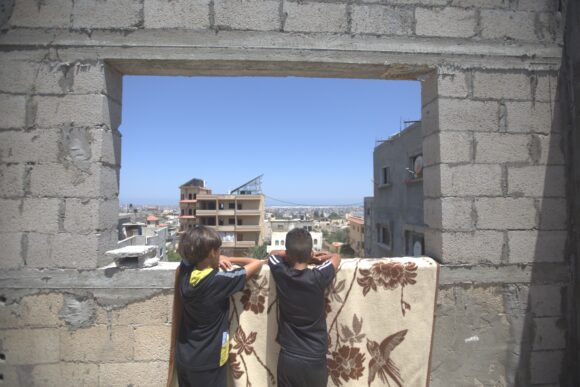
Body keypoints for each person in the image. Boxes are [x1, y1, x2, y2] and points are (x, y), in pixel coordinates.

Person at [167, 225, 264, 387]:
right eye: (219, 249)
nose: (220, 252)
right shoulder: (219, 280)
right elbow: (256, 263)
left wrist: (215, 259)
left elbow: (184, 256)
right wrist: (231, 260)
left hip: (185, 356)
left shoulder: (185, 272)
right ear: (212, 252)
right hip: (209, 360)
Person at [268, 228, 341, 387]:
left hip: (289, 357)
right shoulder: (318, 277)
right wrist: (314, 259)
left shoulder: (281, 272)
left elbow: (272, 254)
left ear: (288, 254)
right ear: (309, 253)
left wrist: (289, 254)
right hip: (315, 357)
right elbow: (336, 257)